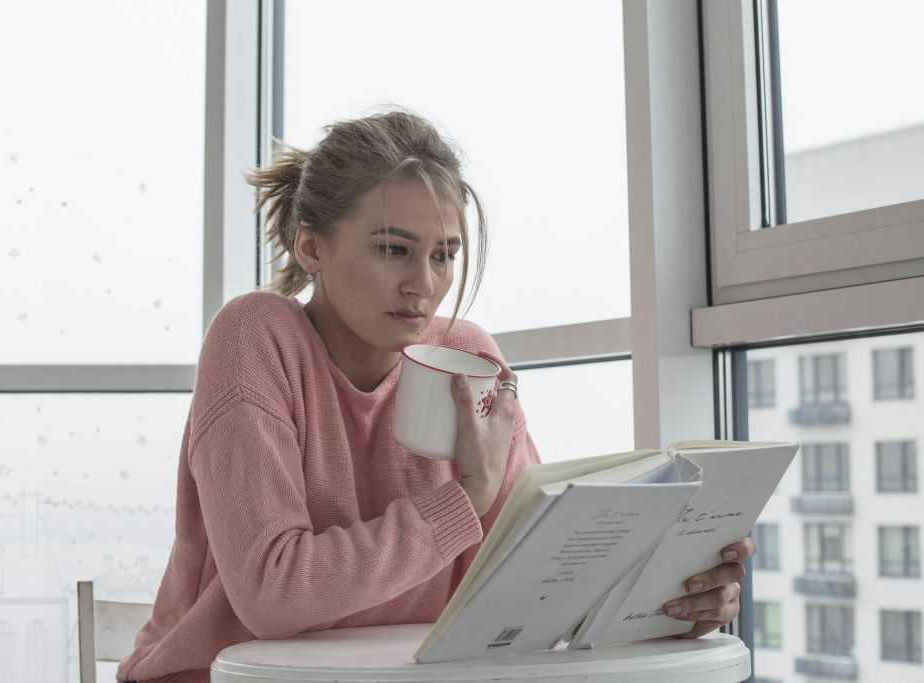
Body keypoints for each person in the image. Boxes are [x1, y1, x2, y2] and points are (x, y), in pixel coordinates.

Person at [116, 110, 754, 683]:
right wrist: (463, 502)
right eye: (394, 249)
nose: (423, 285)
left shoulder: (471, 359)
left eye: (444, 255)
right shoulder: (257, 336)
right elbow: (273, 593)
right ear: (311, 246)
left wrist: (663, 603)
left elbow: (527, 579)